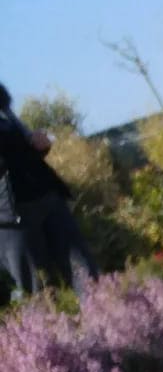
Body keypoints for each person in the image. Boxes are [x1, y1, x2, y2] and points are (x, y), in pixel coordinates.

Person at [0, 82, 96, 302]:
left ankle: (113, 329)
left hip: (46, 195)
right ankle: (53, 337)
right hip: (9, 218)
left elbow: (22, 147)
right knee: (40, 292)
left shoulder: (3, 106)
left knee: (85, 273)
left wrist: (38, 143)